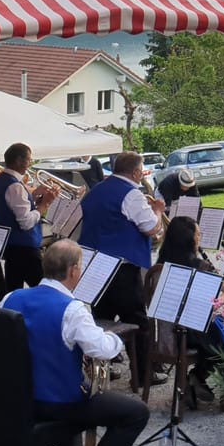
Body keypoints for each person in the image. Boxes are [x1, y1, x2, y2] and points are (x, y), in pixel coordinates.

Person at [3, 240, 148, 446]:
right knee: (135, 412)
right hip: (56, 402)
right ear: (73, 272)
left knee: (73, 380)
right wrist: (115, 339)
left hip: (20, 399)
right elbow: (101, 349)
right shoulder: (72, 309)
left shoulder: (12, 298)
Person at [78, 152, 166, 374]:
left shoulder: (97, 190)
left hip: (94, 264)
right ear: (136, 172)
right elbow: (150, 227)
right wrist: (158, 210)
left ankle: (104, 369)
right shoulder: (131, 194)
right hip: (121, 268)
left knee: (102, 319)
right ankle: (144, 373)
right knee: (137, 321)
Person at [156, 216, 224, 404]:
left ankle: (194, 381)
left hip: (165, 331)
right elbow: (211, 304)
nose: (199, 240)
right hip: (189, 330)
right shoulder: (198, 267)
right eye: (198, 235)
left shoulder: (161, 264)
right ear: (190, 240)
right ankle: (198, 376)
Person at [0, 142, 58, 294]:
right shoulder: (15, 186)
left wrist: (35, 201)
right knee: (45, 291)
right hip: (24, 248)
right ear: (19, 161)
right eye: (28, 159)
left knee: (14, 291)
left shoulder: (2, 180)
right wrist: (44, 205)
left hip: (11, 246)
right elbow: (26, 222)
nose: (30, 163)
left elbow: (15, 209)